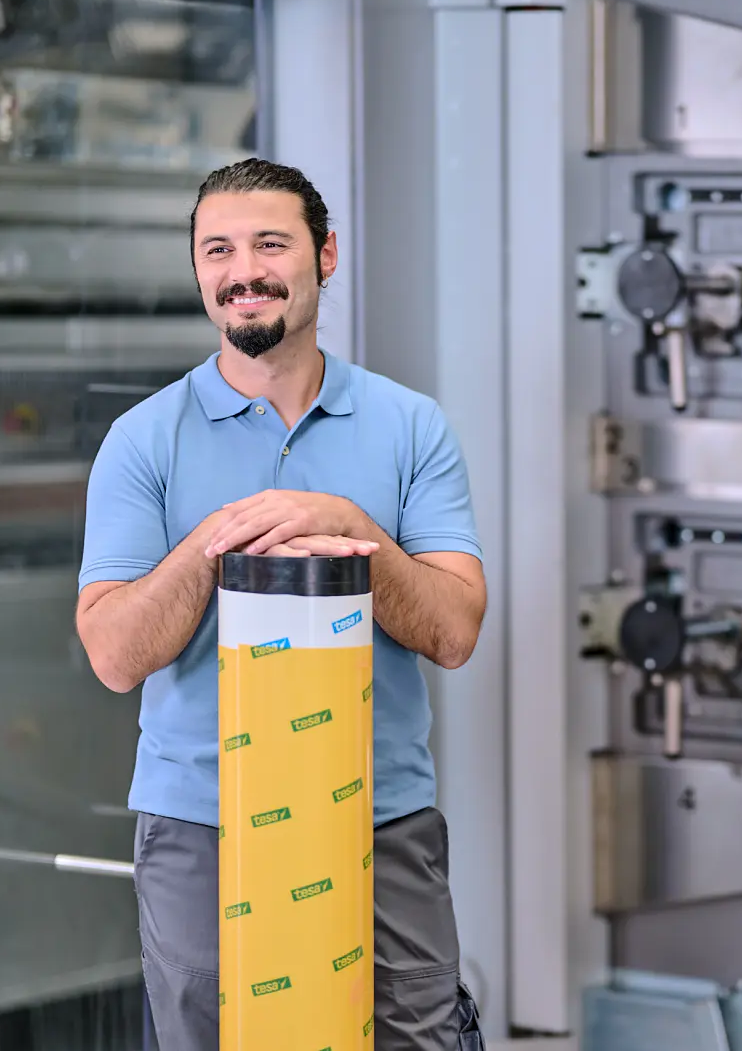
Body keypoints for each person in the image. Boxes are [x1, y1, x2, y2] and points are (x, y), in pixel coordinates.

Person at [74, 157, 488, 1051]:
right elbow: (112, 654)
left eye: (271, 243)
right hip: (203, 822)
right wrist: (217, 539)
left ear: (325, 255)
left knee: (417, 1038)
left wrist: (348, 526)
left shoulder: (409, 426)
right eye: (217, 249)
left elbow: (454, 631)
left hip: (381, 813)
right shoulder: (144, 439)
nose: (243, 270)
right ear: (197, 270)